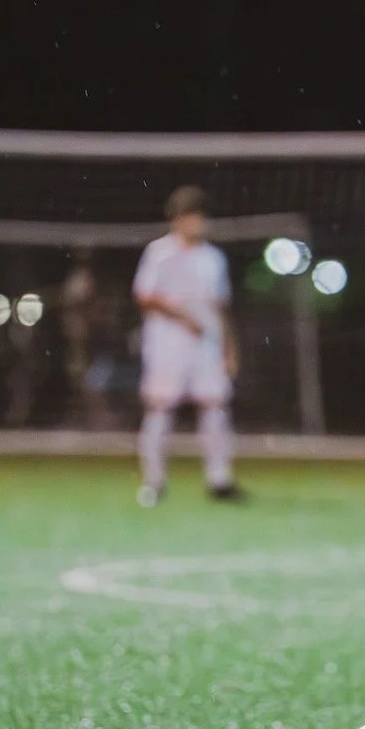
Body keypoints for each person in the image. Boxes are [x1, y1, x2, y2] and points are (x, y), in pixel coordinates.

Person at [132, 185, 242, 505]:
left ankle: (219, 480)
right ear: (177, 220)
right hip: (168, 345)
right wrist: (183, 317)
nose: (197, 224)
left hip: (205, 345)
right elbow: (145, 296)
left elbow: (221, 307)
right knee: (160, 407)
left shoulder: (213, 258)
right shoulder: (159, 253)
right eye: (191, 218)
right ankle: (154, 481)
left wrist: (230, 348)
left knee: (215, 405)